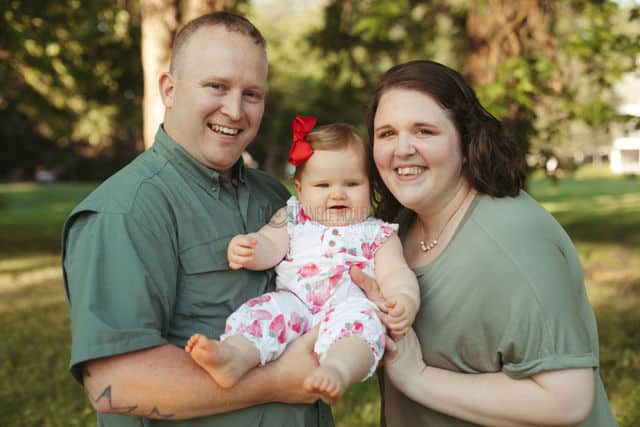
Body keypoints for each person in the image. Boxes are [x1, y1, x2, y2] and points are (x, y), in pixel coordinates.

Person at [61, 12, 334, 427]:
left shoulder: (275, 197)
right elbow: (115, 383)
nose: (235, 110)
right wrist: (277, 382)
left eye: (252, 94)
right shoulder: (126, 211)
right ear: (169, 90)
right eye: (216, 87)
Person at [350, 59, 617, 426]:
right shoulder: (397, 230)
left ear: (466, 141)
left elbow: (567, 399)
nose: (403, 149)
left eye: (424, 131)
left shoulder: (515, 238)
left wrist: (418, 377)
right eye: (387, 133)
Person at [185, 118, 419, 405]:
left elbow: (396, 272)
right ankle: (234, 356)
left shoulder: (377, 233)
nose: (337, 193)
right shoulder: (292, 217)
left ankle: (338, 370)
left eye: (352, 183)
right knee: (265, 314)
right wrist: (248, 248)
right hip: (294, 301)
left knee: (362, 328)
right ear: (300, 189)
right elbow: (270, 243)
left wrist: (404, 298)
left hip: (348, 305)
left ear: (369, 186)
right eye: (322, 184)